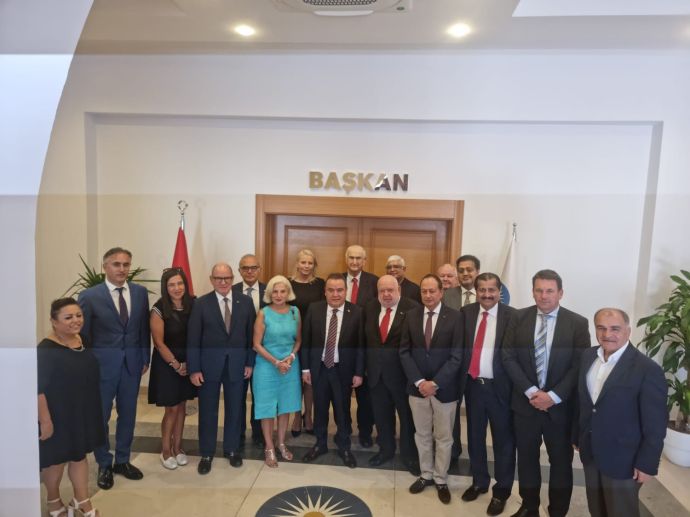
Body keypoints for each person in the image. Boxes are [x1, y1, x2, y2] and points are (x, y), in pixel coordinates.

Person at [503, 269, 590, 517]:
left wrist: (553, 396)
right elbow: (507, 356)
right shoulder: (518, 317)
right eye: (539, 290)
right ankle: (529, 506)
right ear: (533, 292)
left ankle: (558, 511)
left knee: (561, 463)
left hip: (560, 408)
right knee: (527, 459)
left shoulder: (577, 323)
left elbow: (579, 364)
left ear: (560, 293)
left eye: (549, 291)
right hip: (525, 405)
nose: (544, 296)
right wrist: (532, 392)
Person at [574, 308, 667, 517]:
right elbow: (584, 402)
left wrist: (647, 463)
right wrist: (577, 436)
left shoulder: (647, 369)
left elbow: (655, 425)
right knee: (596, 509)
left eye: (615, 329)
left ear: (628, 331)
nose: (607, 334)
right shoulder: (588, 356)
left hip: (624, 459)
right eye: (601, 328)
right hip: (591, 452)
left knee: (621, 512)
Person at [78, 247, 150, 490]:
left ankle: (122, 460)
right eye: (116, 264)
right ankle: (104, 463)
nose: (122, 269)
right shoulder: (89, 296)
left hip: (132, 364)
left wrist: (145, 357)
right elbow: (83, 336)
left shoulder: (139, 293)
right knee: (101, 416)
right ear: (105, 266)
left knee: (128, 414)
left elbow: (143, 328)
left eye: (126, 264)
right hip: (102, 368)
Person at [400, 274, 464, 505]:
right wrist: (420, 382)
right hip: (417, 389)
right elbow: (404, 351)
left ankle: (440, 478)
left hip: (444, 390)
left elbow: (457, 356)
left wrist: (435, 383)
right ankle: (426, 474)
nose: (427, 295)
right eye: (424, 291)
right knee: (422, 434)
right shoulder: (411, 315)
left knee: (444, 437)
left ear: (441, 292)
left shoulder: (456, 317)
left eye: (432, 291)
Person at [187, 262, 256, 475]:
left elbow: (251, 337)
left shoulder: (245, 302)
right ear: (212, 280)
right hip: (208, 367)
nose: (223, 282)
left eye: (227, 278)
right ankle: (207, 453)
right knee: (208, 411)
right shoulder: (201, 304)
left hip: (238, 365)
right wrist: (194, 369)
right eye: (218, 278)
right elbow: (193, 339)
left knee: (235, 409)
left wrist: (249, 363)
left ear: (233, 279)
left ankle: (232, 449)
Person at [38, 298, 105, 517]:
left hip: (82, 410)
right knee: (56, 460)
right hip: (57, 413)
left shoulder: (83, 340)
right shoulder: (46, 349)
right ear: (54, 321)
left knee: (79, 455)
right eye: (68, 317)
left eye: (78, 315)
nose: (76, 320)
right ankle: (53, 500)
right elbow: (38, 389)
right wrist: (45, 421)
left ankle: (81, 500)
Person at [460, 273, 517, 516]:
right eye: (482, 290)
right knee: (474, 437)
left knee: (503, 442)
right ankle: (479, 481)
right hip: (473, 385)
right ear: (476, 291)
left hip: (500, 389)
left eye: (491, 290)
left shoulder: (512, 316)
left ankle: (501, 491)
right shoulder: (466, 313)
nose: (486, 294)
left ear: (499, 291)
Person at [301, 273, 365, 468]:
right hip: (319, 368)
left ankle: (344, 447)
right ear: (325, 291)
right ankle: (320, 444)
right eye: (331, 290)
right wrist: (305, 369)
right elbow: (306, 341)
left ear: (346, 291)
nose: (335, 294)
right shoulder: (315, 309)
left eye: (339, 290)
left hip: (343, 370)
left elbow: (361, 346)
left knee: (342, 410)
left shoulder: (357, 312)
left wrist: (358, 372)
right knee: (320, 409)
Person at [364, 275, 420, 476]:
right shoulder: (370, 308)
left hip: (403, 376)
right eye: (382, 291)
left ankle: (409, 455)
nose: (386, 294)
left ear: (399, 290)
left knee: (407, 418)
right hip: (376, 374)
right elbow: (365, 341)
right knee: (382, 416)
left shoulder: (413, 309)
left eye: (390, 290)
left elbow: (417, 345)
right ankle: (386, 450)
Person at [148, 268, 197, 470]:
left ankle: (178, 447)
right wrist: (176, 365)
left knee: (182, 406)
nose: (177, 288)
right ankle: (166, 450)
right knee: (172, 408)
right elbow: (159, 343)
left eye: (180, 283)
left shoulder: (193, 304)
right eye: (171, 285)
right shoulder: (159, 309)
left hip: (188, 362)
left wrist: (189, 363)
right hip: (167, 363)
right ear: (165, 288)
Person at [252, 275, 302, 467]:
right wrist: (276, 362)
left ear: (288, 293)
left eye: (283, 291)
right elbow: (256, 344)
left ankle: (281, 443)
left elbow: (298, 340)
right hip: (267, 366)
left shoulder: (295, 312)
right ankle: (269, 447)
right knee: (267, 408)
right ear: (269, 294)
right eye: (275, 291)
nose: (279, 295)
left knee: (286, 406)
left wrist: (291, 357)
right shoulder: (263, 313)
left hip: (289, 366)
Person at [342, 244, 377, 448]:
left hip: (364, 345)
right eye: (351, 257)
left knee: (365, 395)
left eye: (358, 258)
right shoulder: (336, 280)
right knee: (341, 394)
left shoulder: (374, 282)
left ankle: (365, 431)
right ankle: (344, 429)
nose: (354, 262)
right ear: (346, 259)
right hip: (339, 346)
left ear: (364, 260)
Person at [288, 248, 324, 437]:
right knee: (295, 380)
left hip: (313, 338)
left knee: (309, 379)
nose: (306, 266)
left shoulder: (320, 284)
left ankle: (308, 415)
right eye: (303, 262)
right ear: (297, 263)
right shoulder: (288, 283)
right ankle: (296, 416)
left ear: (314, 265)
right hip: (291, 338)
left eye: (310, 263)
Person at [232, 254, 266, 448]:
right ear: (239, 271)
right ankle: (238, 433)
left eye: (253, 267)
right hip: (239, 353)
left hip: (263, 354)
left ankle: (259, 433)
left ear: (259, 269)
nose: (250, 271)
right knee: (238, 395)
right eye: (245, 268)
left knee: (260, 395)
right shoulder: (231, 291)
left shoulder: (270, 291)